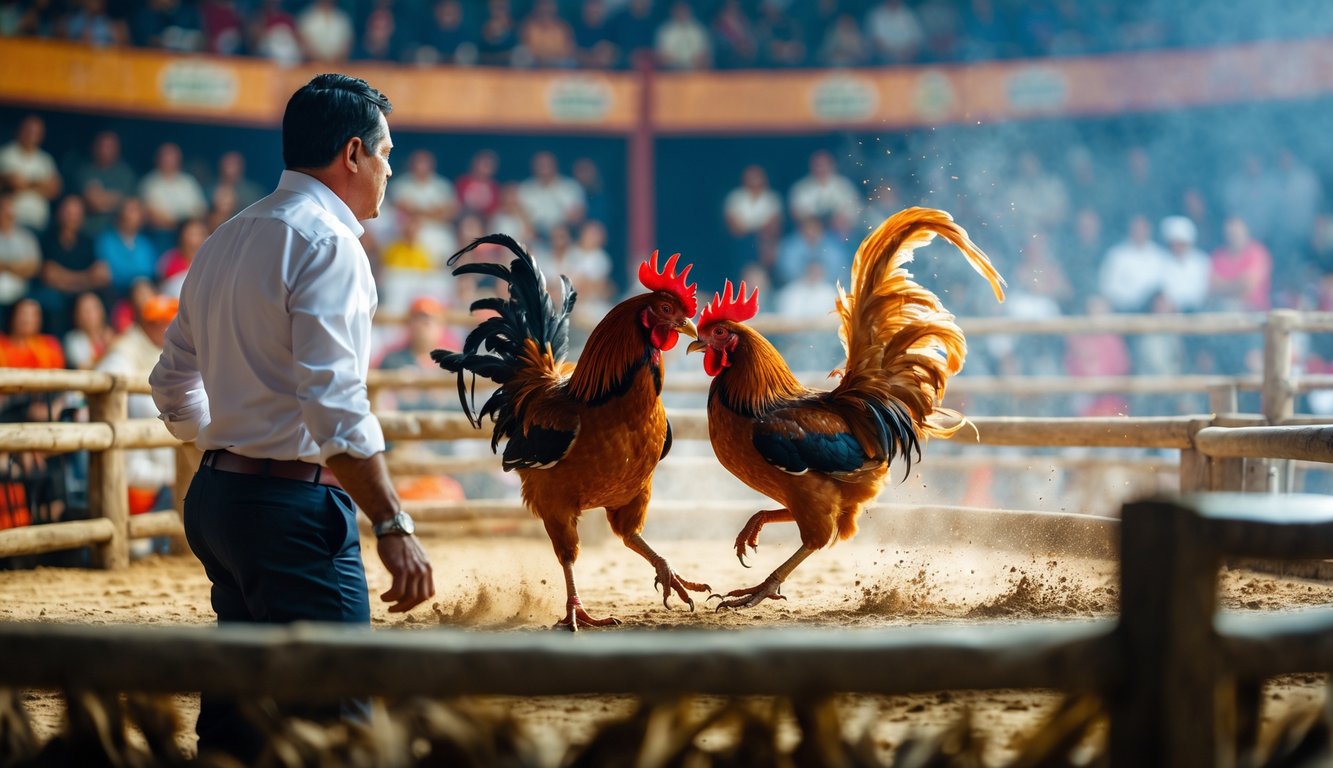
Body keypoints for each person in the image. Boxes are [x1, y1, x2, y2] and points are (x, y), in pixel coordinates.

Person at [149, 73, 434, 761]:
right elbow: (335, 406)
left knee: (236, 718)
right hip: (290, 511)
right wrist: (393, 524)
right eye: (387, 153)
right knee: (339, 719)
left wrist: (222, 446)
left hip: (219, 501)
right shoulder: (330, 243)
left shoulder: (225, 238)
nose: (391, 170)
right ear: (354, 153)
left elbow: (171, 386)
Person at [31, 195, 109, 337]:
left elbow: (99, 274)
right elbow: (48, 274)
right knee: (52, 300)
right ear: (59, 213)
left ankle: (102, 338)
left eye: (76, 214)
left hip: (80, 291)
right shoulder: (47, 238)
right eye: (68, 213)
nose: (72, 218)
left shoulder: (88, 241)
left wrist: (65, 278)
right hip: (55, 291)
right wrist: (84, 279)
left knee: (105, 294)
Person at [0, 115, 61, 234]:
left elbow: (54, 189)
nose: (31, 135)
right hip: (12, 224)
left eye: (36, 132)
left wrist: (27, 183)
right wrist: (41, 184)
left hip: (39, 223)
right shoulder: (6, 154)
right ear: (19, 131)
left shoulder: (45, 159)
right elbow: (16, 183)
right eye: (28, 130)